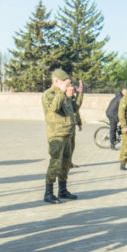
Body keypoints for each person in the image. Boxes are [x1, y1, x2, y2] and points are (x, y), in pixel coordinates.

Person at [42, 69, 78, 203]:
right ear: (56, 81)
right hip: (56, 134)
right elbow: (55, 108)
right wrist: (62, 91)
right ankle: (48, 193)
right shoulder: (49, 94)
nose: (67, 85)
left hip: (67, 133)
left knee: (66, 163)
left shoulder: (63, 94)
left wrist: (79, 94)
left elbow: (74, 109)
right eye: (64, 82)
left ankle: (62, 190)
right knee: (55, 163)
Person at [105, 82, 127, 150]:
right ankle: (112, 144)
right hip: (112, 114)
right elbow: (124, 107)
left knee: (121, 123)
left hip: (113, 113)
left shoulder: (120, 96)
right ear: (123, 91)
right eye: (126, 92)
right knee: (113, 129)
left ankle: (118, 134)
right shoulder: (120, 98)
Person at [68, 80, 83, 168]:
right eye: (70, 90)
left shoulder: (72, 99)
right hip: (65, 127)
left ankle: (69, 163)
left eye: (73, 90)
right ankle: (64, 164)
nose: (72, 92)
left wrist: (79, 123)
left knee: (72, 145)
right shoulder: (65, 100)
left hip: (72, 125)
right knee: (66, 146)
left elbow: (76, 111)